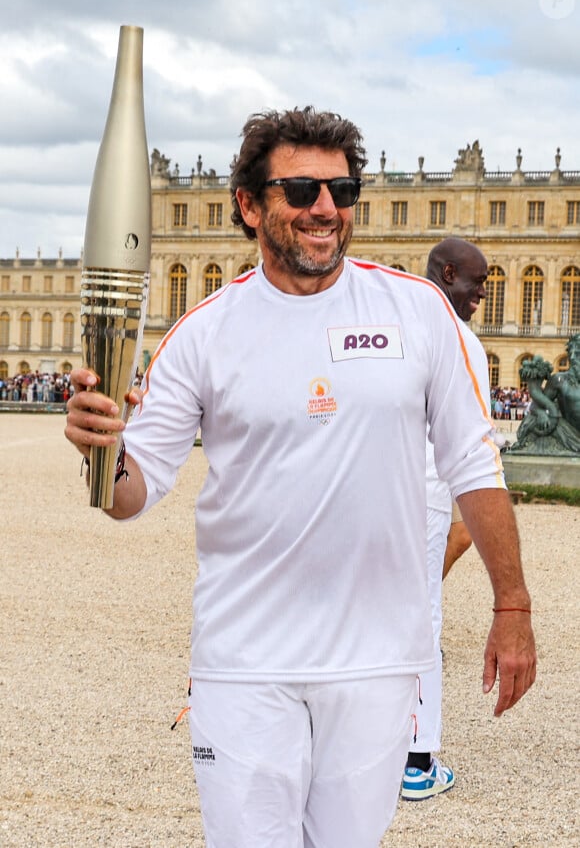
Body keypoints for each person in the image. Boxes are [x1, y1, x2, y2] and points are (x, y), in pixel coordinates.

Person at [65, 107, 536, 847]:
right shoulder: (203, 334)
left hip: (378, 658)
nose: (326, 210)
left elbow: (474, 465)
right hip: (244, 660)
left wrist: (513, 607)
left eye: (343, 192)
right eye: (303, 191)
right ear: (249, 205)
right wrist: (102, 449)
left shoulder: (416, 312)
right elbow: (133, 491)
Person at [402, 237, 494, 801]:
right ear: (448, 272)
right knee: (422, 623)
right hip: (428, 496)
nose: (481, 294)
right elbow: (474, 446)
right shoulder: (462, 341)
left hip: (380, 494)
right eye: (476, 283)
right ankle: (416, 763)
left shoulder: (399, 327)